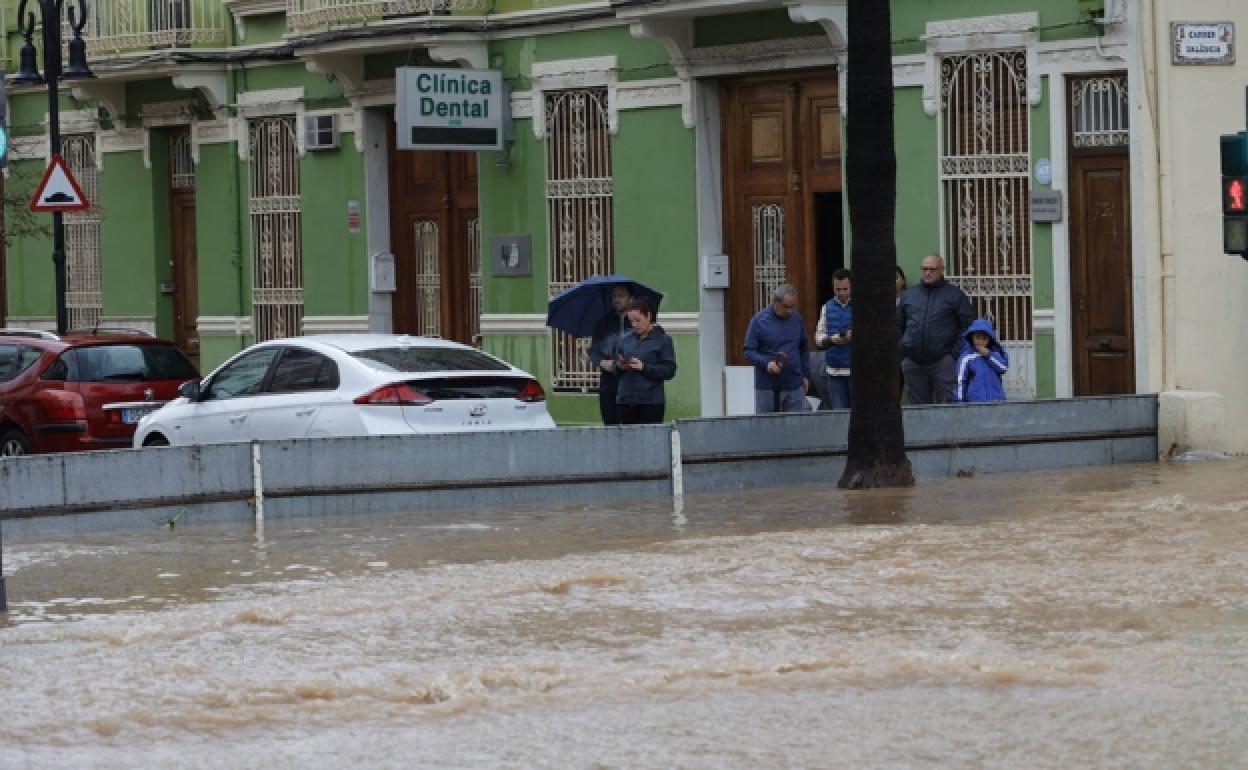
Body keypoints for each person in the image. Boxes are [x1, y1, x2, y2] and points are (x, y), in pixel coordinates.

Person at [897, 254, 974, 404]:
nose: (927, 273)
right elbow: (898, 325)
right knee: (918, 409)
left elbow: (968, 325)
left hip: (943, 362)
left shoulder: (955, 295)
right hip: (913, 362)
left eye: (932, 269)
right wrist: (903, 351)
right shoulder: (909, 296)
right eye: (924, 269)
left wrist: (952, 354)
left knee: (947, 406)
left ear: (941, 270)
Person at [744, 284, 811, 414]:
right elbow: (749, 351)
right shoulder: (759, 320)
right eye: (786, 307)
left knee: (795, 424)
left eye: (792, 307)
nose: (790, 311)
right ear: (775, 302)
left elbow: (804, 347)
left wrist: (805, 375)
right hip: (767, 388)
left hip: (794, 385)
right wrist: (766, 363)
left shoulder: (797, 318)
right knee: (767, 425)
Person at [614, 297, 677, 425]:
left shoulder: (663, 340)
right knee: (628, 436)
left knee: (649, 436)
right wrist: (620, 366)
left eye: (637, 320)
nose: (634, 325)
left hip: (650, 402)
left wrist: (644, 367)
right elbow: (616, 368)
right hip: (625, 401)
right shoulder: (625, 340)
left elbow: (669, 370)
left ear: (648, 316)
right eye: (631, 321)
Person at [588, 284, 633, 425]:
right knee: (610, 422)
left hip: (631, 379)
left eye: (621, 296)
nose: (617, 299)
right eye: (614, 296)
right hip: (609, 381)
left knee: (631, 424)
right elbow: (593, 351)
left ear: (630, 299)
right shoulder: (603, 324)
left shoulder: (636, 322)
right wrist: (602, 362)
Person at [814, 269, 853, 409]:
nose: (841, 293)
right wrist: (831, 340)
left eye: (845, 289)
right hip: (833, 370)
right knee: (839, 414)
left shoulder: (860, 307)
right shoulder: (826, 307)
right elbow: (818, 338)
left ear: (852, 286)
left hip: (855, 370)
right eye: (838, 289)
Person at [954, 318, 1009, 403]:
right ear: (972, 337)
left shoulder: (994, 354)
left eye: (984, 338)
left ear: (989, 339)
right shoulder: (966, 357)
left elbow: (1003, 367)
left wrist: (989, 355)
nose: (980, 341)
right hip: (975, 401)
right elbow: (960, 381)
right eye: (977, 338)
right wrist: (960, 402)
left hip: (996, 400)